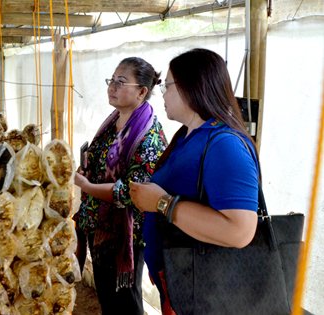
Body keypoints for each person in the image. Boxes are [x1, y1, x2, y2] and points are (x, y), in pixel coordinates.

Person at [129, 48, 259, 314]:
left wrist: (163, 204)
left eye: (167, 86)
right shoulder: (189, 135)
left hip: (206, 290)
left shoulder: (224, 144)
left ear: (191, 87)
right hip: (182, 282)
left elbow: (240, 231)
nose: (163, 94)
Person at [74, 57, 167, 315]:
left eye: (120, 82)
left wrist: (88, 186)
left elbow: (131, 192)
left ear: (141, 92)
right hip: (99, 225)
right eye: (111, 80)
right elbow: (97, 160)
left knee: (125, 302)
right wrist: (87, 170)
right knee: (108, 297)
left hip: (126, 233)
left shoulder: (148, 136)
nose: (111, 87)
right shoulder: (113, 122)